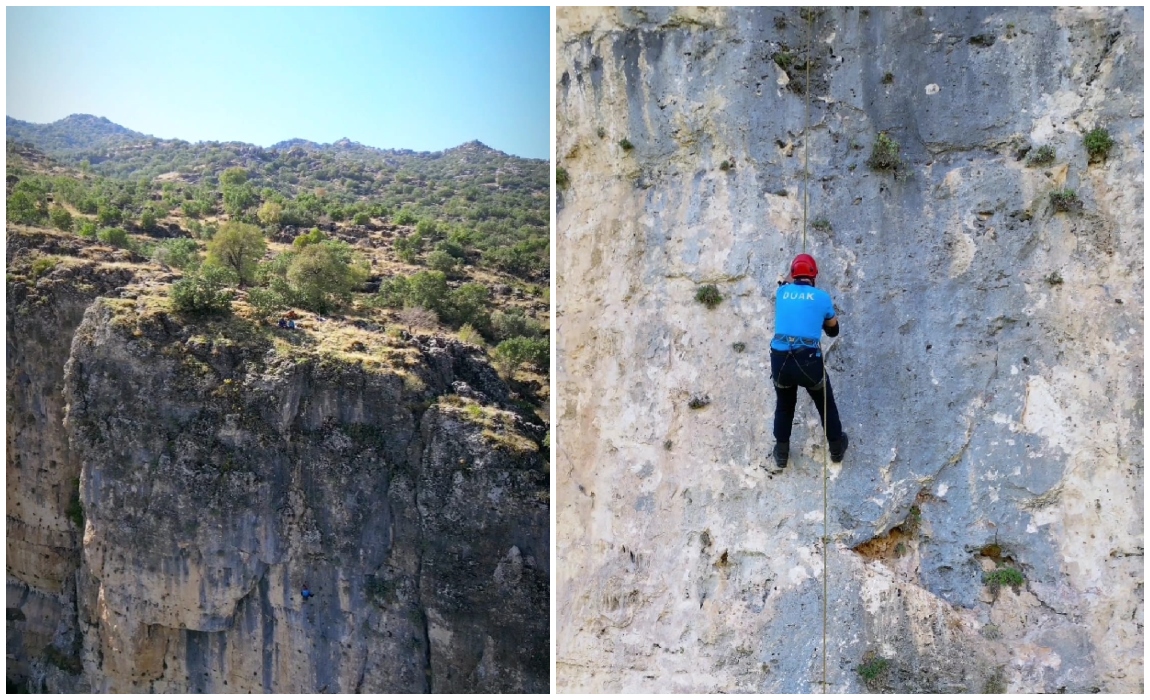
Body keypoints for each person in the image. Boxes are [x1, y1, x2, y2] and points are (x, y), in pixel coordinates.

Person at [769, 253, 848, 471]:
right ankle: (836, 448)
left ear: (793, 274)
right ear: (814, 276)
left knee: (784, 406)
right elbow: (833, 330)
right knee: (825, 404)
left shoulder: (782, 292)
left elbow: (785, 281)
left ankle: (781, 454)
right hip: (808, 362)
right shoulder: (821, 297)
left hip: (781, 361)